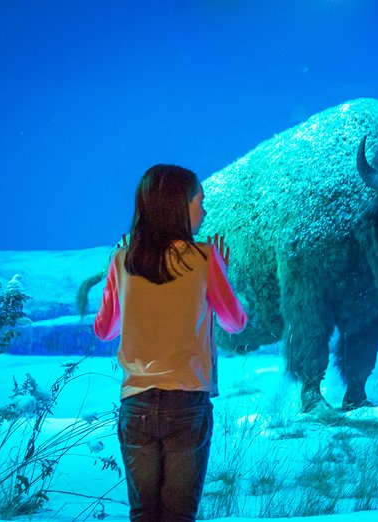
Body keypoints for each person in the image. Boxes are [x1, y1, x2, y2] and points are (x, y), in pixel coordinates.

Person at [94, 164, 247, 521]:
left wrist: (116, 276)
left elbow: (105, 330)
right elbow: (235, 322)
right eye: (199, 201)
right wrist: (221, 270)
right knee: (179, 514)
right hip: (187, 402)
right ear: (178, 206)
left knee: (143, 513)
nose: (204, 210)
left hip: (136, 404)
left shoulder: (122, 260)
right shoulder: (205, 258)